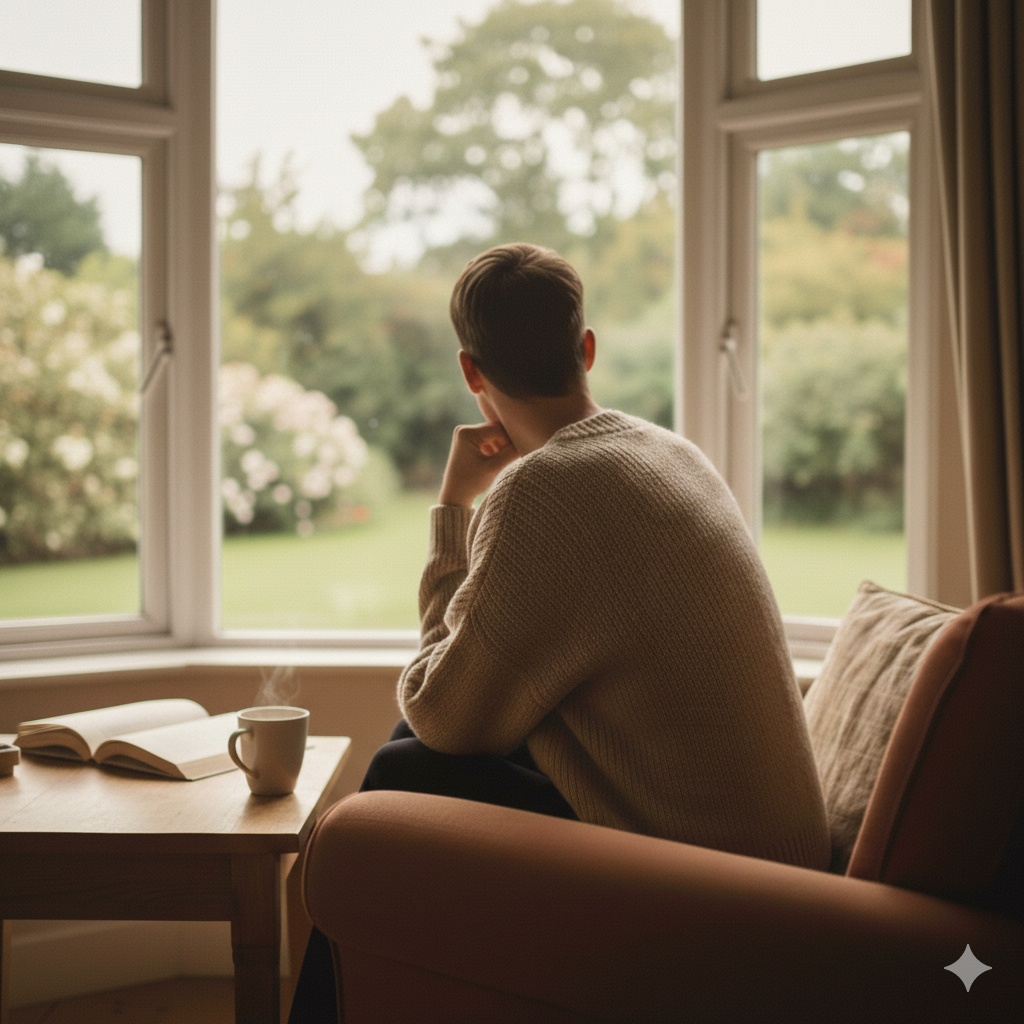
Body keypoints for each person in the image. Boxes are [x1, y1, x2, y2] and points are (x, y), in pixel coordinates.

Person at [288, 243, 828, 1021]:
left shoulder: (542, 493)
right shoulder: (670, 452)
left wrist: (453, 509)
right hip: (768, 850)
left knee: (405, 765)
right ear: (587, 349)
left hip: (710, 876)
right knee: (412, 751)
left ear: (471, 372)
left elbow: (443, 711)